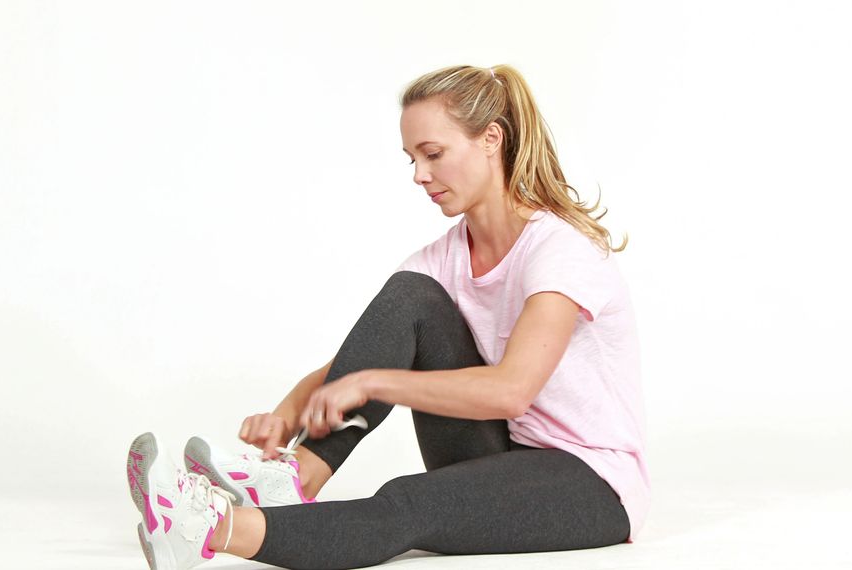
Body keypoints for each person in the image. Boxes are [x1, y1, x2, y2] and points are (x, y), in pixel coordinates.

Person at [125, 64, 650, 570]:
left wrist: (377, 383)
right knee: (410, 297)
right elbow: (362, 360)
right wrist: (286, 415)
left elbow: (511, 391)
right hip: (497, 449)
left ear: (491, 139)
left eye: (434, 154)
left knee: (408, 502)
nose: (420, 175)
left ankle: (204, 532)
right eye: (412, 159)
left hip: (588, 481)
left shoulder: (559, 250)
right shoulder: (445, 257)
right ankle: (293, 480)